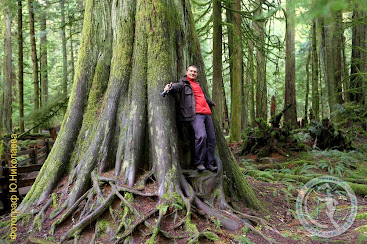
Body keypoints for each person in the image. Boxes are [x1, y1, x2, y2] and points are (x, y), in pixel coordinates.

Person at [164, 65, 217, 172]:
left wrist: (210, 103)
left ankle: (210, 163)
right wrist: (169, 87)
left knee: (211, 139)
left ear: (197, 74)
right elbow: (176, 87)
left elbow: (202, 96)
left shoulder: (198, 84)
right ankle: (199, 163)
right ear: (187, 72)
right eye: (191, 71)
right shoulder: (183, 83)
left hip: (207, 113)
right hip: (195, 114)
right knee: (201, 136)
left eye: (195, 72)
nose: (193, 73)